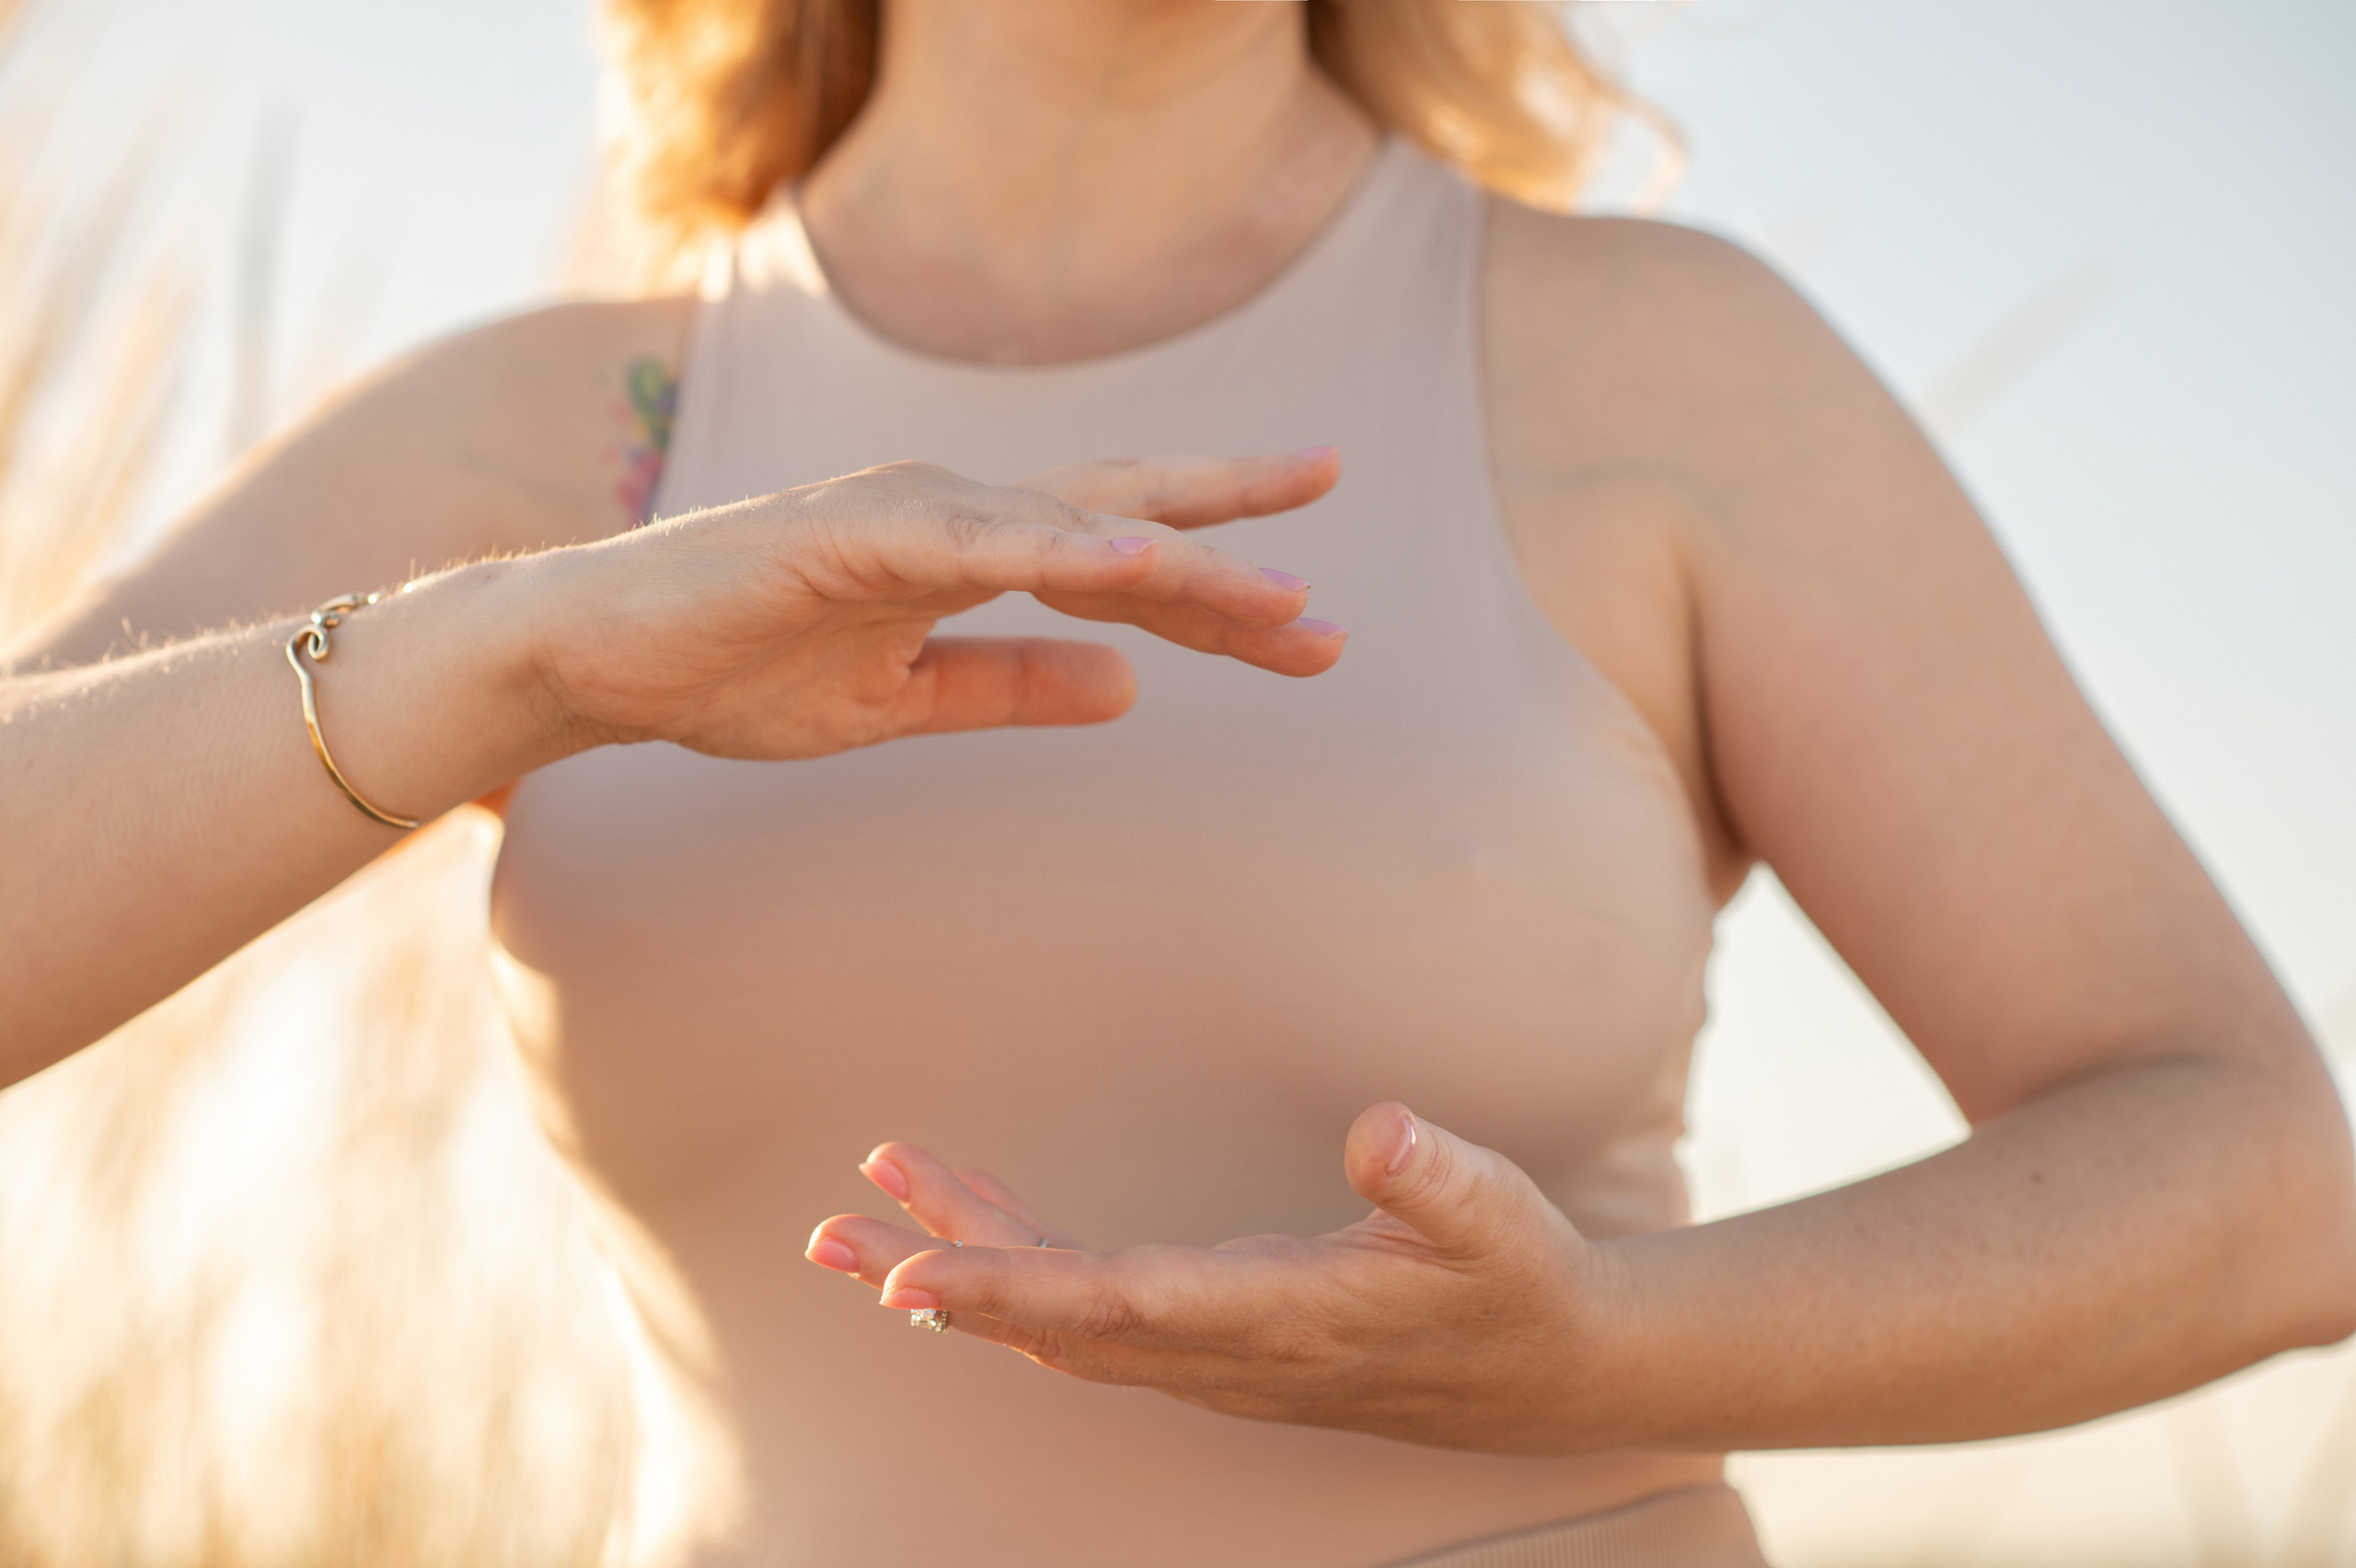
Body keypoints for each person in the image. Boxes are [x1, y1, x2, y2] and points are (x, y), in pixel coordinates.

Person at [4, 2, 2350, 1563]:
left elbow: (2255, 1174)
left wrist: (1605, 1351)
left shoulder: (1674, 364)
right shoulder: (537, 430)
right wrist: (490, 656)